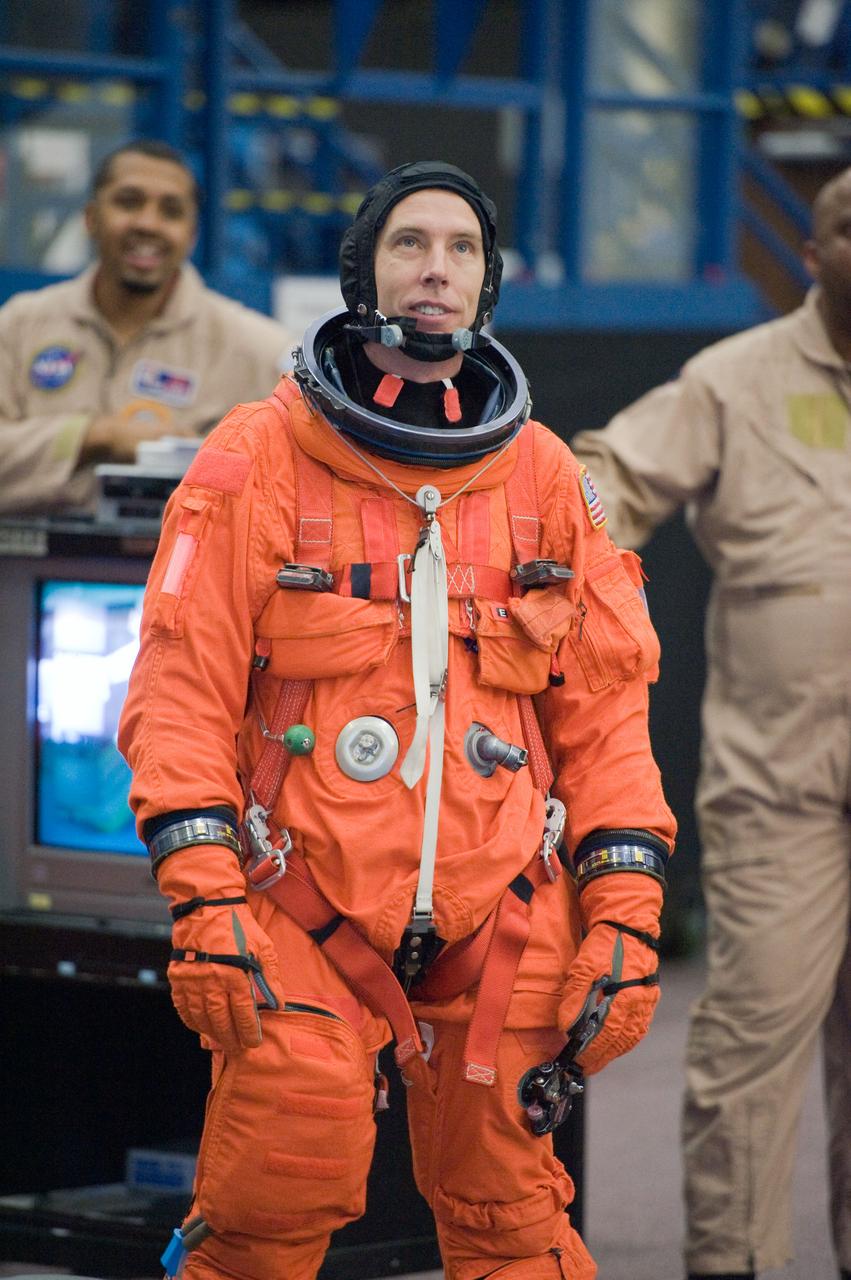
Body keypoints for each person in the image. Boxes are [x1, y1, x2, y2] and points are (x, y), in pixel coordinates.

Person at [118, 160, 676, 1280]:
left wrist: (623, 911)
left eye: (462, 248)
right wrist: (203, 889)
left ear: (487, 284)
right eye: (410, 243)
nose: (436, 269)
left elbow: (607, 719)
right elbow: (178, 690)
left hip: (499, 908)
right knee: (273, 1196)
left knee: (512, 1218)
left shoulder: (543, 478)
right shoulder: (255, 459)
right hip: (298, 898)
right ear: (359, 270)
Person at [571, 169, 851, 1280]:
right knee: (751, 1040)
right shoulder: (733, 379)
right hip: (781, 784)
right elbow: (608, 469)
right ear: (810, 250)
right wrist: (554, 509)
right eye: (843, 224)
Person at [0, 139, 292, 516]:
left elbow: (286, 492)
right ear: (90, 217)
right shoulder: (20, 326)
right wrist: (94, 436)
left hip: (185, 571)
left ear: (192, 235)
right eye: (128, 202)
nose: (148, 223)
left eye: (170, 211)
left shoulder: (258, 351)